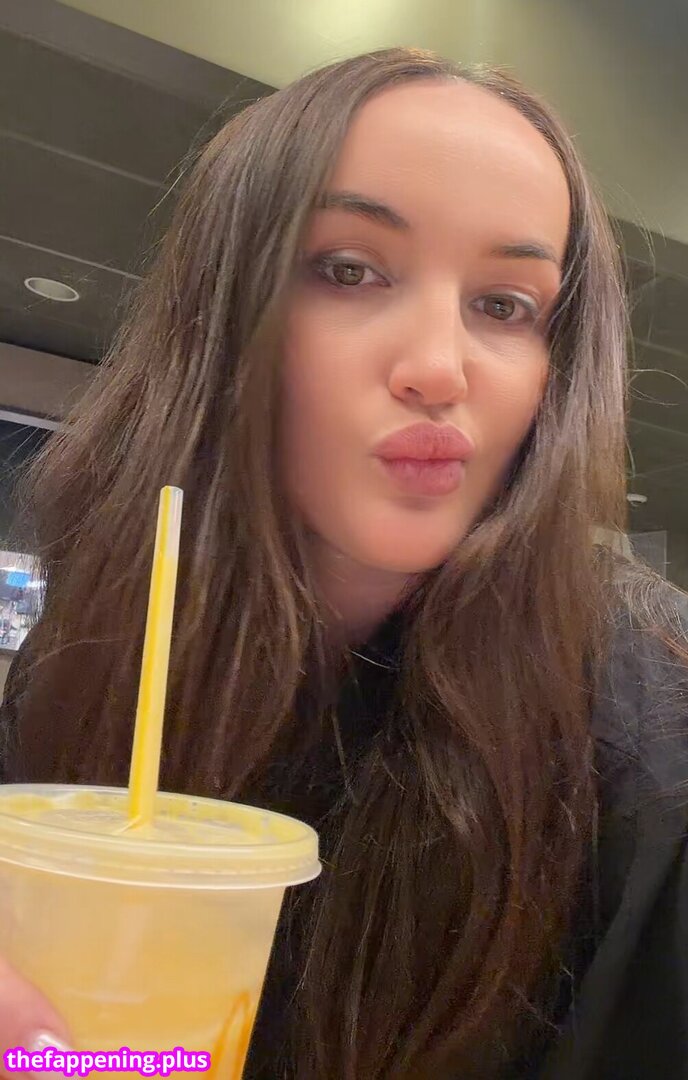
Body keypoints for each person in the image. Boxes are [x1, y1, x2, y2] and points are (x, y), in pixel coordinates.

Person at [0, 46, 687, 1080]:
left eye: (505, 305)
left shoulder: (652, 729)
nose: (438, 369)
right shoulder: (95, 654)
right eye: (349, 270)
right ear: (223, 315)